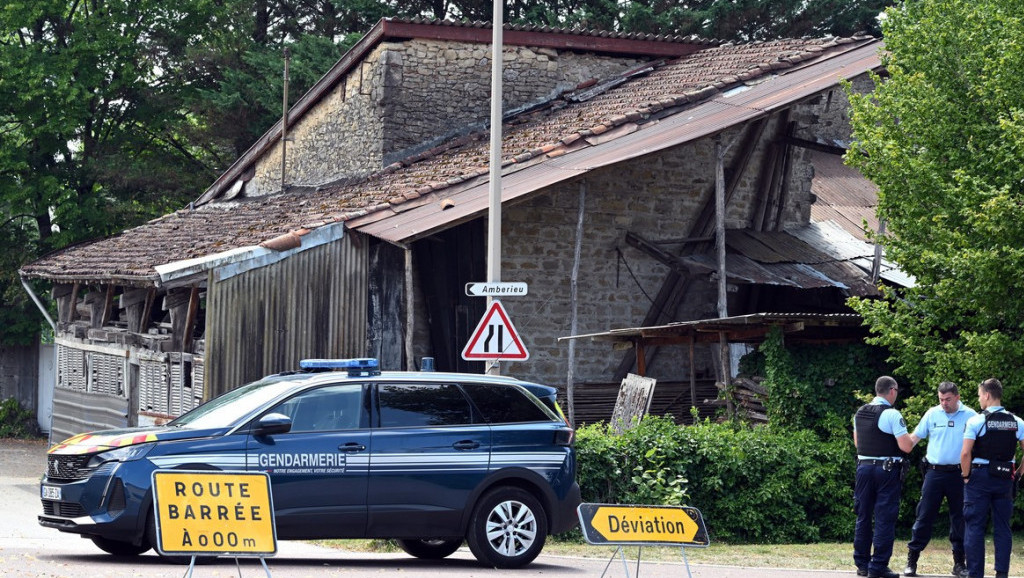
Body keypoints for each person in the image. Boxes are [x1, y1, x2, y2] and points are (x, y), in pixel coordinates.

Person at [903, 381, 976, 577]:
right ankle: (912, 560)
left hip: (960, 474)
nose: (944, 403)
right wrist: (895, 443)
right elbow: (913, 439)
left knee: (960, 518)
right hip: (934, 473)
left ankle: (959, 564)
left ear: (957, 397)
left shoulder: (971, 416)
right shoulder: (932, 413)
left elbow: (982, 443)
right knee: (924, 515)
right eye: (941, 399)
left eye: (948, 399)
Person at [961, 378, 1024, 578]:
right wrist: (1019, 472)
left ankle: (975, 573)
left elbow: (965, 454)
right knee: (1003, 527)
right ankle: (1002, 574)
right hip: (1005, 476)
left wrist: (965, 476)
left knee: (974, 527)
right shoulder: (1017, 422)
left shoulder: (976, 421)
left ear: (987, 395)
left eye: (980, 395)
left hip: (979, 477)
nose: (979, 399)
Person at [854, 375, 915, 578]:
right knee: (884, 518)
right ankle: (878, 566)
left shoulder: (860, 412)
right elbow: (905, 446)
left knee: (863, 517)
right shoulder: (891, 414)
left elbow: (857, 443)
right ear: (892, 390)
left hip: (863, 468)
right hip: (886, 470)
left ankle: (862, 564)